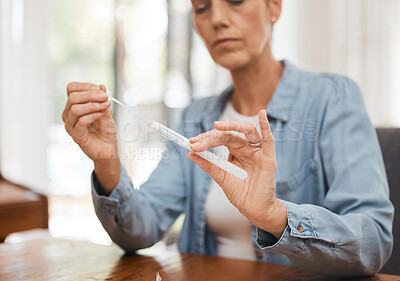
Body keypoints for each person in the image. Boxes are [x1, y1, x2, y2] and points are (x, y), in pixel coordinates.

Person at [62, 0, 394, 276]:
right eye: (202, 7)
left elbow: (373, 241)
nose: (217, 19)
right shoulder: (196, 117)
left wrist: (275, 216)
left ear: (274, 7)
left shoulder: (332, 98)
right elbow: (139, 230)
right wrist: (107, 163)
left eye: (235, 1)